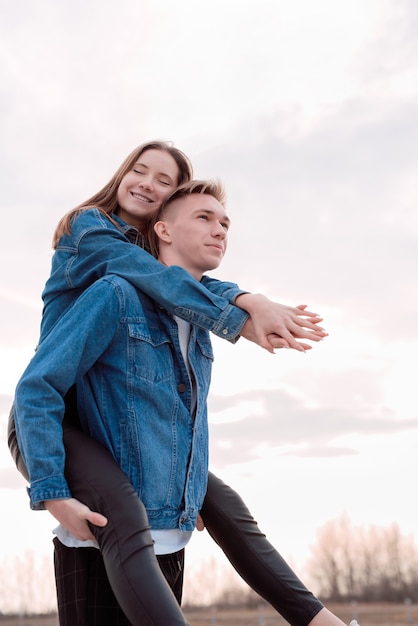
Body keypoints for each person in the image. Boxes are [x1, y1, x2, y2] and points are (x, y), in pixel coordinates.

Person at [10, 141, 357, 626]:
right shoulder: (94, 238)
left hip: (123, 448)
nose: (148, 185)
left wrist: (245, 299)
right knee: (125, 513)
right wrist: (237, 315)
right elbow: (154, 276)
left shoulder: (170, 300)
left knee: (222, 504)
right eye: (140, 171)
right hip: (54, 423)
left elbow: (175, 280)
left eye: (164, 181)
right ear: (162, 226)